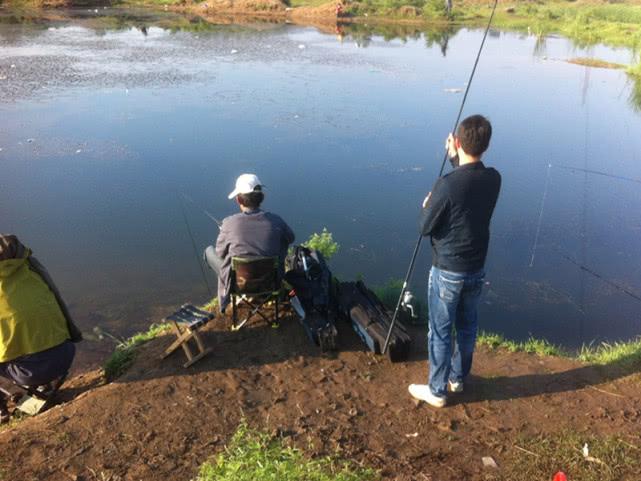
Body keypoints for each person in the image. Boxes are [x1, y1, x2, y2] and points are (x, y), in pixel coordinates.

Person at [409, 115, 501, 408]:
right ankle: (457, 378)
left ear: (458, 142)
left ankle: (436, 390)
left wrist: (427, 204)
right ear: (486, 145)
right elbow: (468, 182)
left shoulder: (446, 186)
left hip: (447, 271)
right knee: (467, 327)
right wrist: (455, 157)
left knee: (439, 330)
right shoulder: (493, 178)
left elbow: (425, 227)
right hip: (476, 270)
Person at [0, 234, 82, 422]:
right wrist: (74, 334)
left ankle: (1, 411)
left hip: (29, 373)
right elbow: (58, 300)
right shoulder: (31, 268)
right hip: (65, 354)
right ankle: (43, 387)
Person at [204, 174, 295, 313]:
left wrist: (225, 233)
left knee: (209, 252)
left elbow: (220, 252)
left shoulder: (229, 223)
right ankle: (265, 295)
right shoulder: (276, 221)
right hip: (272, 282)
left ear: (238, 199)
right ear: (261, 198)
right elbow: (291, 238)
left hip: (239, 284)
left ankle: (225, 298)